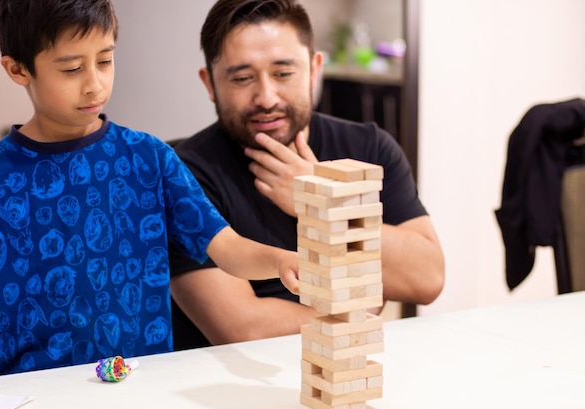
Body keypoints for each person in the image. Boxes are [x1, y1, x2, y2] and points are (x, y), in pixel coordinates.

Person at [0, 0, 299, 380]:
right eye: (71, 68)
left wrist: (280, 261)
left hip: (133, 384)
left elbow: (226, 247)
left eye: (104, 61)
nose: (94, 84)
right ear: (18, 69)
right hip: (25, 387)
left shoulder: (150, 158)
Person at [168, 0, 445, 350]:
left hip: (347, 372)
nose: (266, 98)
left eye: (283, 74)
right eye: (242, 78)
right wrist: (353, 311)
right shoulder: (182, 174)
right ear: (209, 83)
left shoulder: (369, 148)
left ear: (315, 70)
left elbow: (427, 278)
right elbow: (242, 329)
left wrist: (321, 203)